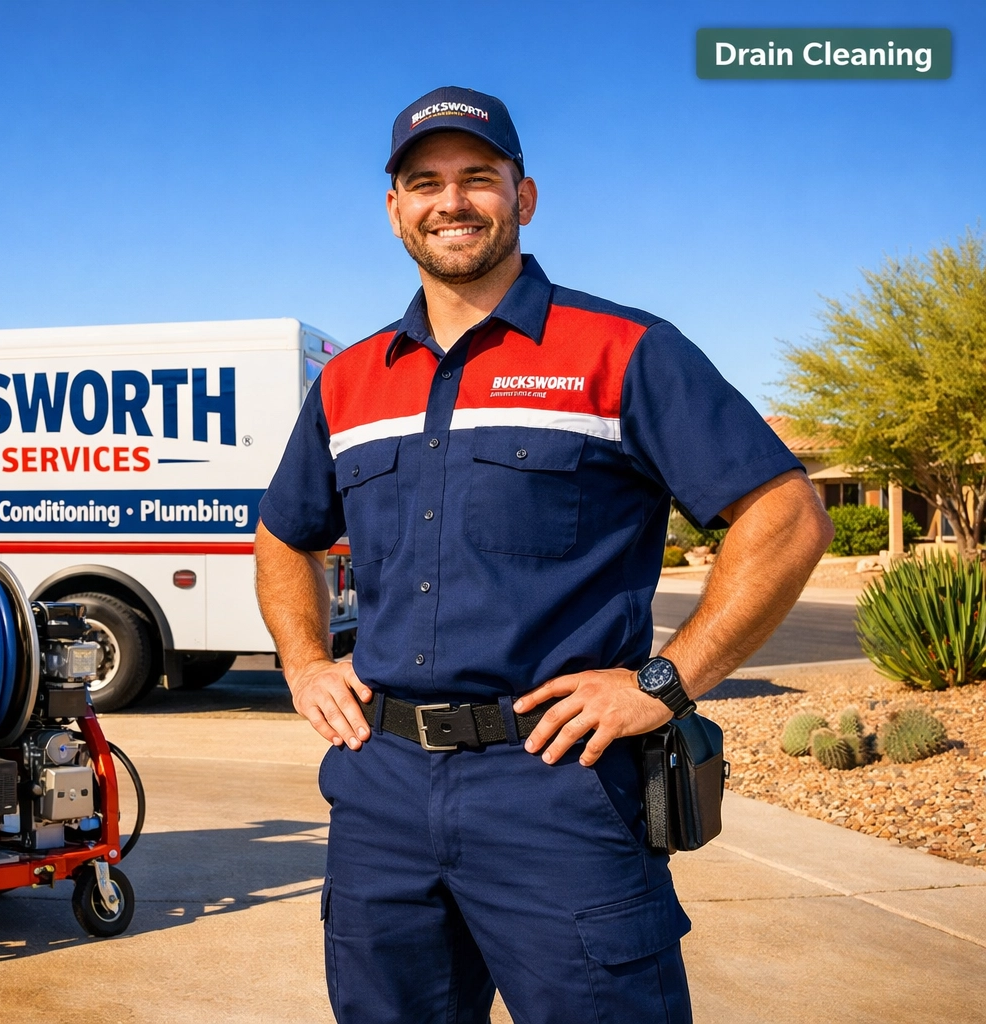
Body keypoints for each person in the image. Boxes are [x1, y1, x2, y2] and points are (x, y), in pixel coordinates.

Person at [254, 85, 834, 1024]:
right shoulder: (351, 381)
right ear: (394, 208)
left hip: (557, 790)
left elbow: (789, 514)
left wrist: (666, 681)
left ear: (523, 198)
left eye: (478, 178)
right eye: (425, 182)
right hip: (382, 791)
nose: (452, 201)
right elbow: (285, 532)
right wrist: (304, 660)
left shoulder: (624, 349)